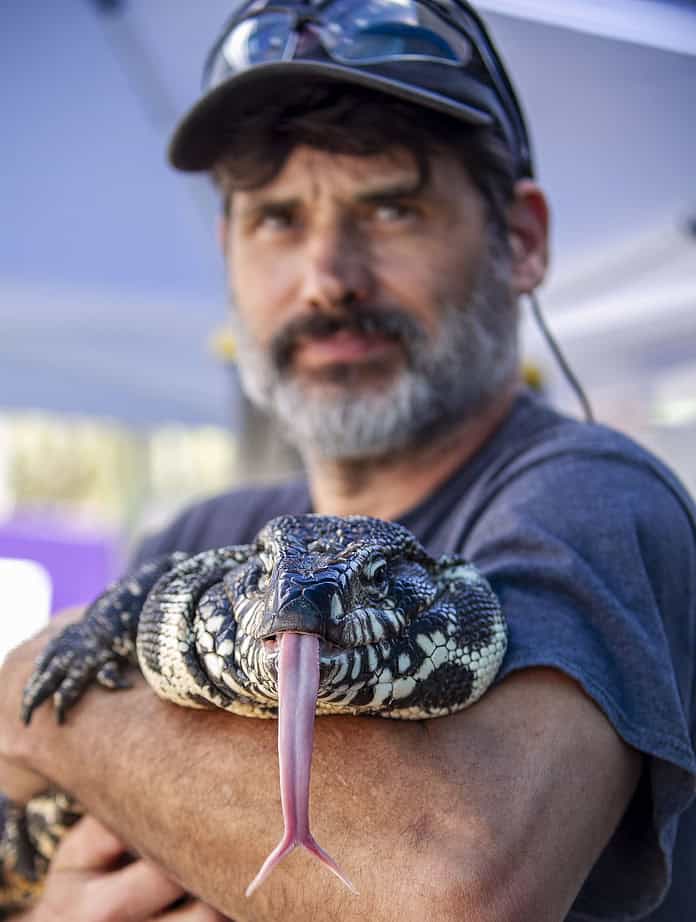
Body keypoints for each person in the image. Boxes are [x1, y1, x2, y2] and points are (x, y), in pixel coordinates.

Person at [1, 1, 694, 919]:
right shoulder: (201, 531)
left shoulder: (591, 496)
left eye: (392, 206)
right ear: (229, 254)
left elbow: (449, 888)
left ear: (520, 240)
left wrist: (46, 689)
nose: (329, 275)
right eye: (278, 219)